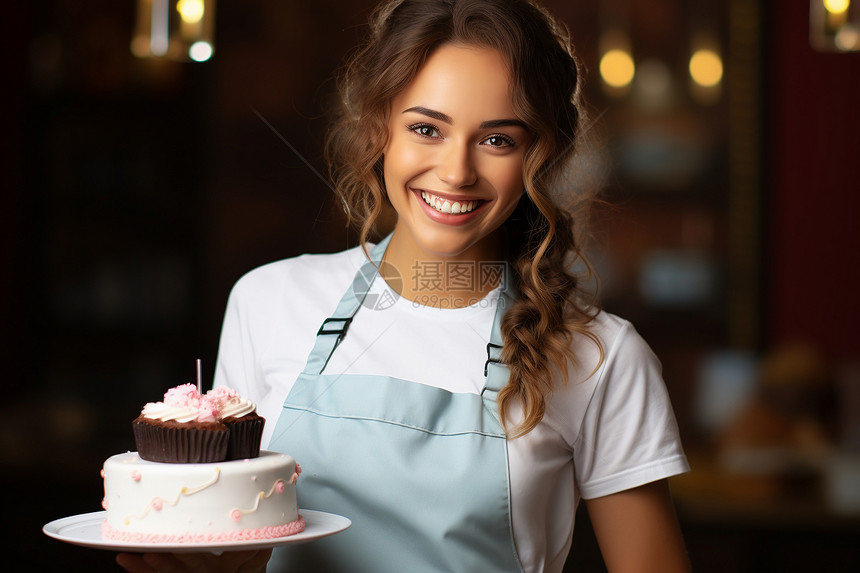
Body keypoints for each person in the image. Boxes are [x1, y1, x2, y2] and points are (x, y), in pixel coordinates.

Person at [118, 0, 690, 571]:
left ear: (539, 156)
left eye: (497, 140)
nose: (456, 171)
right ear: (379, 129)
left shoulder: (601, 357)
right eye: (426, 129)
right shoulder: (267, 301)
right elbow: (230, 529)